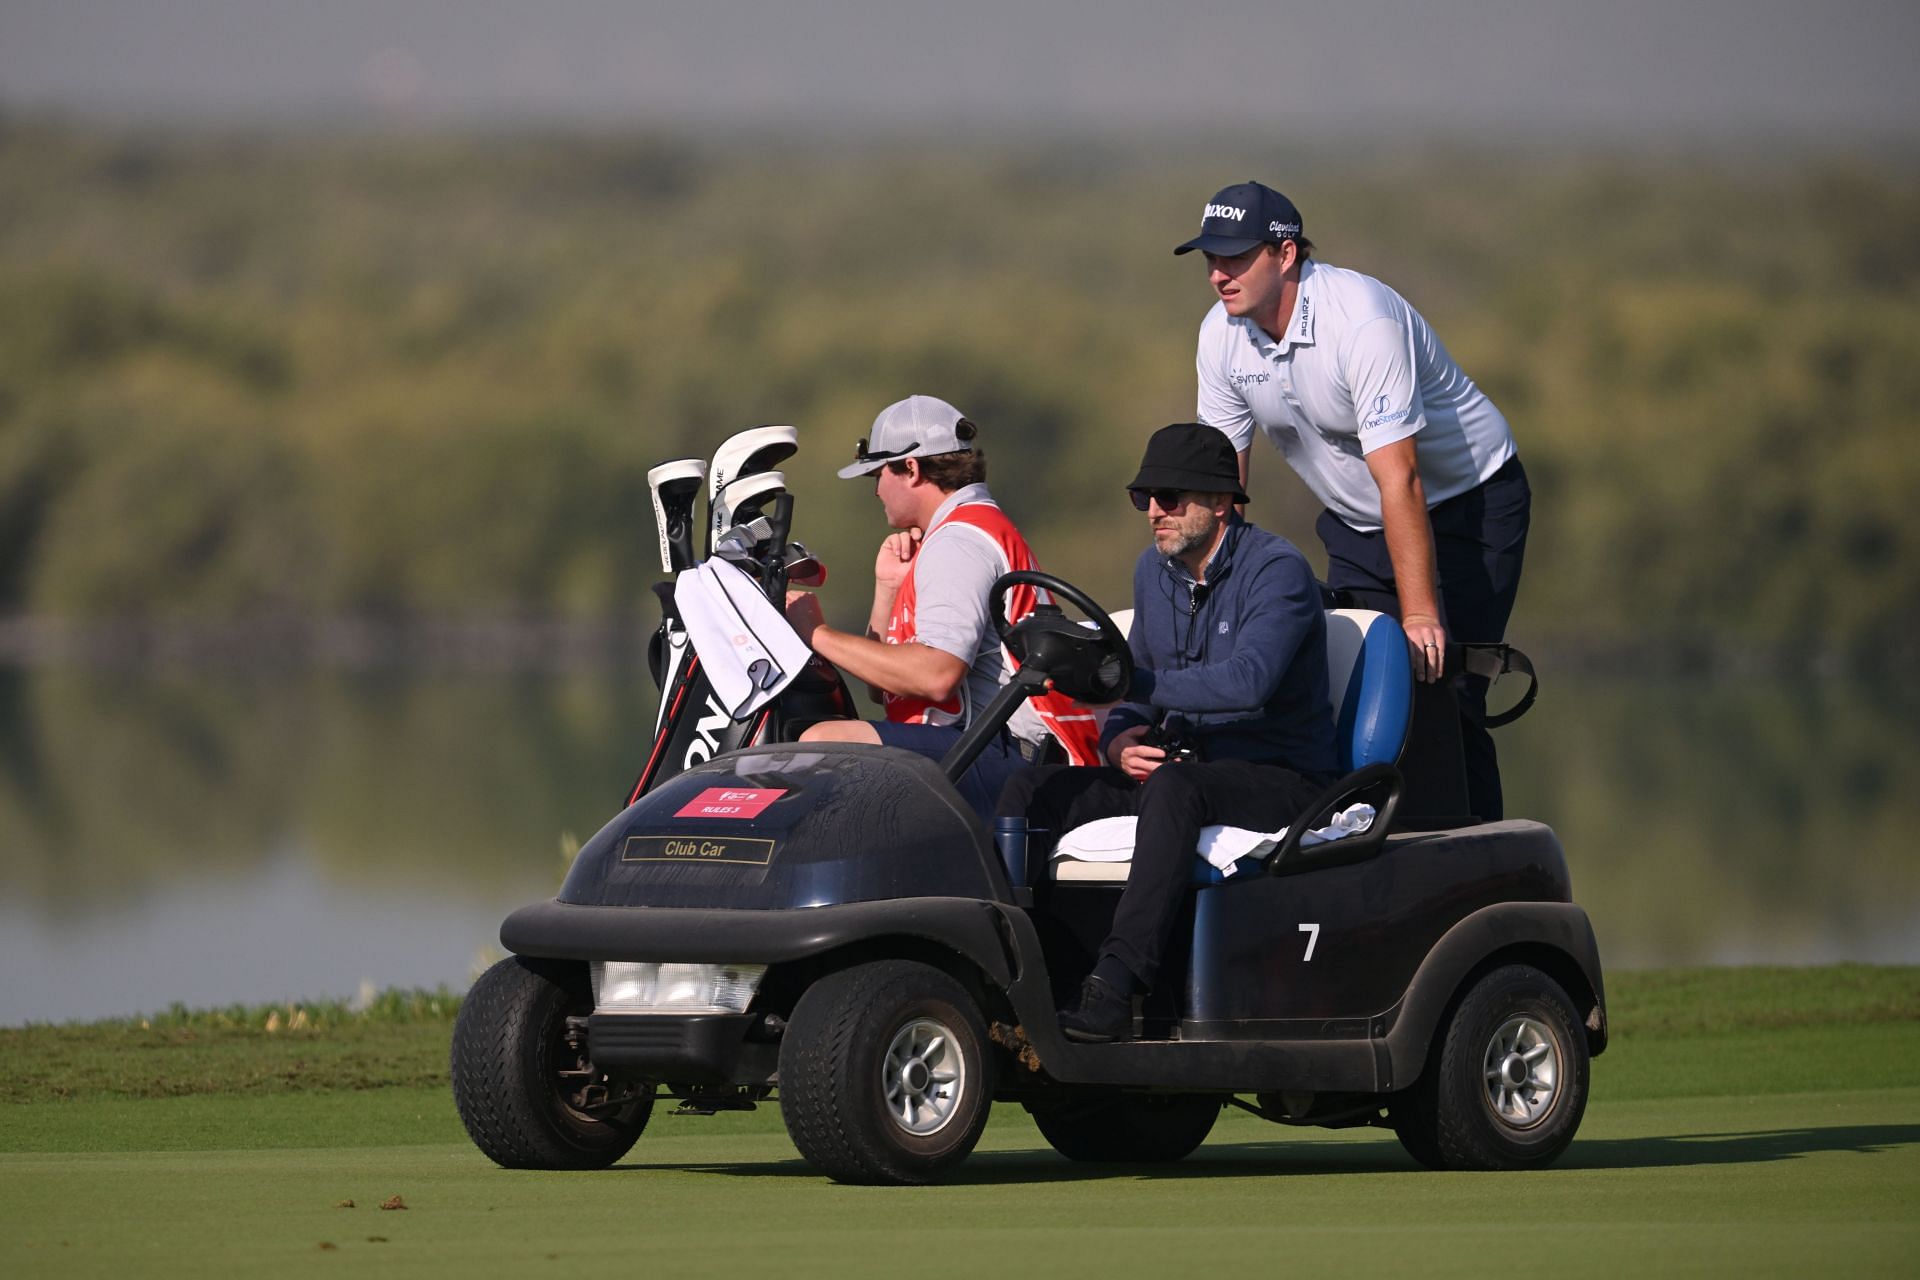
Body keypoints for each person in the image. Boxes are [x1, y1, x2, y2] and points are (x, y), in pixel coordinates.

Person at [1176, 181, 1531, 821]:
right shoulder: (1220, 337)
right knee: (1365, 685)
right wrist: (1209, 599)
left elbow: (1402, 480)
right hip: (1356, 521)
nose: (1218, 274)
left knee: (1445, 685)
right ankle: (1372, 844)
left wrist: (1421, 614)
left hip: (1470, 505)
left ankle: (1479, 857)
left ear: (1285, 255)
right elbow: (1220, 487)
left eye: (1235, 257)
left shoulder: (1360, 319)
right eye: (1210, 259)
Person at [997, 423, 1337, 1043]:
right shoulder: (1153, 574)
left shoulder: (1278, 572)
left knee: (1175, 788)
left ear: (1220, 501)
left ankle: (1115, 984)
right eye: (1144, 498)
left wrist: (1131, 691)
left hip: (1284, 778)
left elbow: (1245, 684)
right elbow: (1135, 685)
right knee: (1030, 789)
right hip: (1186, 771)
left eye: (1171, 497)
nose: (1154, 511)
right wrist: (1119, 740)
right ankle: (1020, 971)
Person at [783, 395, 1098, 819]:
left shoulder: (958, 541)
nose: (876, 489)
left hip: (1008, 756)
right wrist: (888, 588)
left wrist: (815, 634)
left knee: (821, 742)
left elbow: (935, 677)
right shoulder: (963, 528)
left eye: (878, 473)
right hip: (994, 747)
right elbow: (886, 689)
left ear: (910, 468)